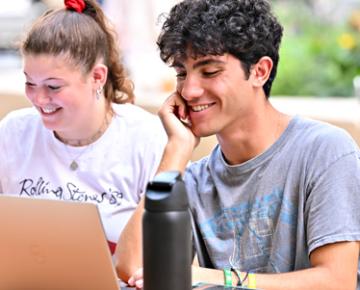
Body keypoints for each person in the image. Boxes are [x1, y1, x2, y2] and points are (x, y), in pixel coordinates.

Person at [115, 0, 360, 289]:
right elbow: (131, 267)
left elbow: (337, 280)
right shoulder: (192, 179)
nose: (189, 90)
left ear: (260, 71)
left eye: (209, 72)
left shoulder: (325, 151)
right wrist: (176, 151)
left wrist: (217, 278)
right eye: (182, 73)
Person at [0, 0, 167, 255]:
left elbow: (168, 244)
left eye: (53, 87)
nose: (39, 99)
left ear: (97, 77)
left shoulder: (145, 137)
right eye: (30, 83)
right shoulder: (13, 132)